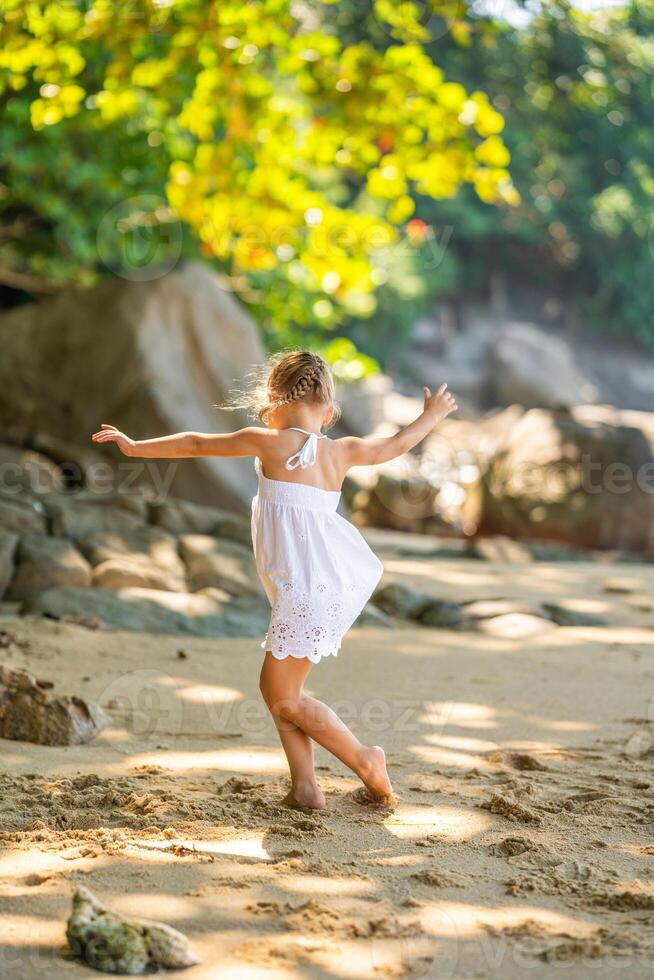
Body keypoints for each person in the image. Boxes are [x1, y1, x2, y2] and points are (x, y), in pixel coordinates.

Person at [92, 350, 457, 809]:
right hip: (321, 585)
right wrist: (431, 416)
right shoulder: (340, 451)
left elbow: (196, 444)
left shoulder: (268, 441)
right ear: (327, 409)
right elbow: (396, 445)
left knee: (284, 696)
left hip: (306, 591)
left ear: (274, 398)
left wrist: (135, 446)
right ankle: (305, 787)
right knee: (280, 692)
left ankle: (365, 759)